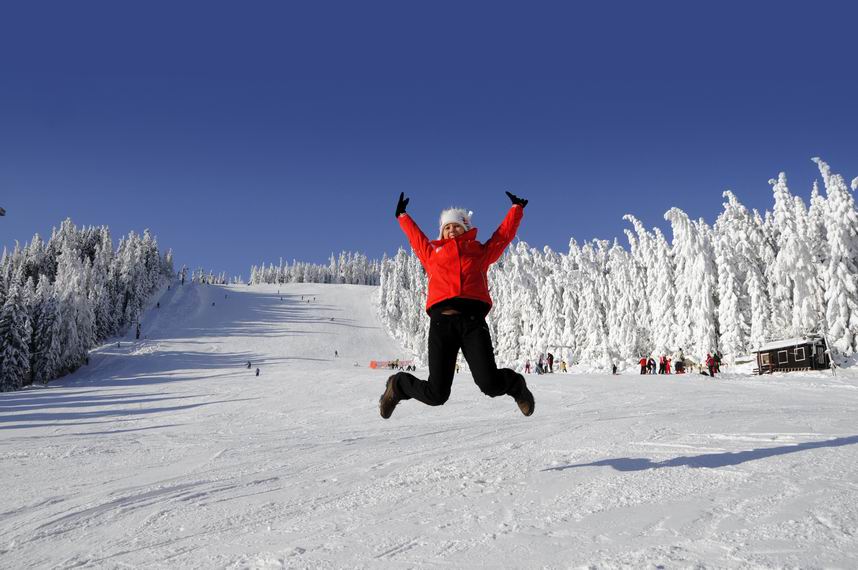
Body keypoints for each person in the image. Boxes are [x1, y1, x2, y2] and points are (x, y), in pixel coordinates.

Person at [379, 191, 534, 418]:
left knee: (489, 384)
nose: (451, 230)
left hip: (473, 323)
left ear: (466, 228)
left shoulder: (480, 252)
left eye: (457, 226)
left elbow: (502, 236)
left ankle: (516, 385)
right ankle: (398, 385)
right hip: (443, 323)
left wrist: (516, 210)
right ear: (442, 232)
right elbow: (416, 238)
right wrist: (402, 216)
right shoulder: (432, 254)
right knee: (436, 394)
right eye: (447, 227)